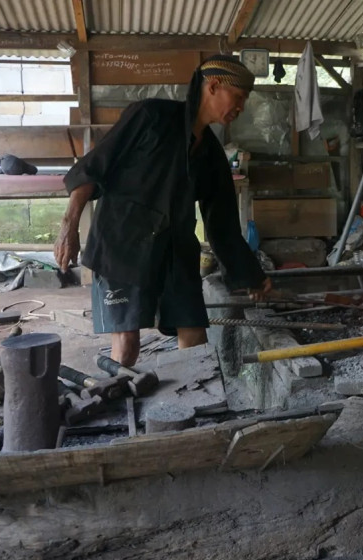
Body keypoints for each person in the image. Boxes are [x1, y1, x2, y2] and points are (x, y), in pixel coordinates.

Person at [54, 55, 271, 367]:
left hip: (175, 251)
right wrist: (69, 226)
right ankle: (121, 401)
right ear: (213, 85)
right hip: (122, 247)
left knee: (195, 338)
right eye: (238, 97)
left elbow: (222, 226)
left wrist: (250, 274)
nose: (241, 108)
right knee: (127, 347)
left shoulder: (211, 155)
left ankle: (197, 408)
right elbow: (91, 169)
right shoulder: (150, 116)